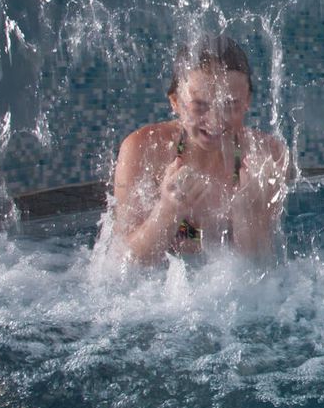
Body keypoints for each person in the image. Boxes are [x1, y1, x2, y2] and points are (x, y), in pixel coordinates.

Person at [110, 35, 288, 266]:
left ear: (247, 101)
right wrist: (167, 210)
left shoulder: (268, 154)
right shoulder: (144, 150)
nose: (215, 120)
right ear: (175, 101)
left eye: (230, 105)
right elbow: (121, 263)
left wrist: (247, 212)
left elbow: (261, 271)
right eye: (200, 106)